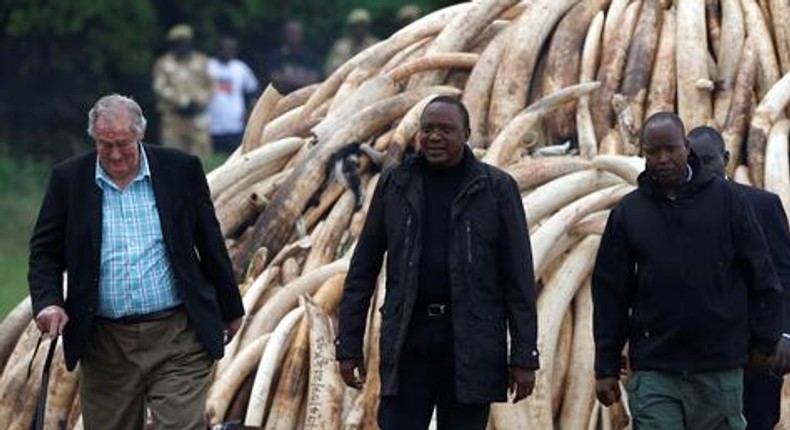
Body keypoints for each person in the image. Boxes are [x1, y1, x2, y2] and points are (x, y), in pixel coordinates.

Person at [28, 94, 244, 430]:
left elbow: (210, 241)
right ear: (94, 139)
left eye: (123, 144)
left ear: (140, 134)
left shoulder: (180, 169)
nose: (115, 155)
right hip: (104, 344)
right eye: (105, 145)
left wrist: (231, 308)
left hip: (177, 335)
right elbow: (44, 252)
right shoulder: (69, 180)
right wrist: (48, 302)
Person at [335, 96, 539, 430]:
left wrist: (524, 355)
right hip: (408, 338)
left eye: (446, 130)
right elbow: (363, 268)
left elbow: (518, 278)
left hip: (472, 342)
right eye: (427, 129)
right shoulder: (395, 183)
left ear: (467, 133)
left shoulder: (496, 189)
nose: (434, 137)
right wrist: (348, 344)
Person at [592, 112, 784, 430]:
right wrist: (606, 367)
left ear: (686, 147)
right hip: (656, 369)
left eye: (671, 149)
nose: (663, 159)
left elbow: (763, 273)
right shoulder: (629, 213)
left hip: (718, 369)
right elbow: (611, 293)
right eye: (653, 152)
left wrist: (767, 341)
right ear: (643, 152)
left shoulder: (729, 201)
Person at [687, 126, 790, 430]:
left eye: (708, 160)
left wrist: (785, 333)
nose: (702, 169)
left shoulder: (763, 205)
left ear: (726, 159)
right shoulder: (674, 209)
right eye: (694, 163)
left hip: (754, 354)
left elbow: (785, 273)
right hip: (695, 357)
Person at [152, 24, 214, 158]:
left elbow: (211, 85)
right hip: (174, 118)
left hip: (197, 118)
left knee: (201, 160)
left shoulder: (202, 61)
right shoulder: (163, 63)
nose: (183, 46)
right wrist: (182, 101)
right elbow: (160, 88)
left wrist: (201, 101)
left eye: (185, 42)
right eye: (179, 43)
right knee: (173, 158)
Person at [207, 35, 259, 154]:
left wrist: (250, 111)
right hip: (211, 125)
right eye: (225, 48)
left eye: (231, 49)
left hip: (235, 124)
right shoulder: (208, 66)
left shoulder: (240, 67)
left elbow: (253, 91)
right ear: (218, 49)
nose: (228, 52)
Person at [264, 20, 323, 95]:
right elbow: (274, 79)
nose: (294, 36)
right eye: (291, 32)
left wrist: (287, 78)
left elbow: (315, 79)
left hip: (307, 100)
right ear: (285, 34)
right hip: (282, 99)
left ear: (302, 34)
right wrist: (301, 79)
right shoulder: (276, 57)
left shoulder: (311, 57)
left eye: (296, 32)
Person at [325, 8, 380, 74]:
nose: (360, 28)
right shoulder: (341, 47)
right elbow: (331, 69)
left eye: (363, 25)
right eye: (357, 25)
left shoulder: (376, 45)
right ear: (351, 27)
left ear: (368, 26)